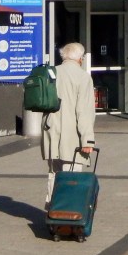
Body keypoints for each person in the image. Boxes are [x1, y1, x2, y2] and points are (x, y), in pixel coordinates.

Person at [41, 42, 96, 207]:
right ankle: (67, 210)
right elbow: (84, 111)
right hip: (71, 135)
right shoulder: (82, 77)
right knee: (72, 175)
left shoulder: (51, 73)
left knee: (54, 173)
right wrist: (88, 140)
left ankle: (52, 209)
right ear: (80, 58)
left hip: (51, 131)